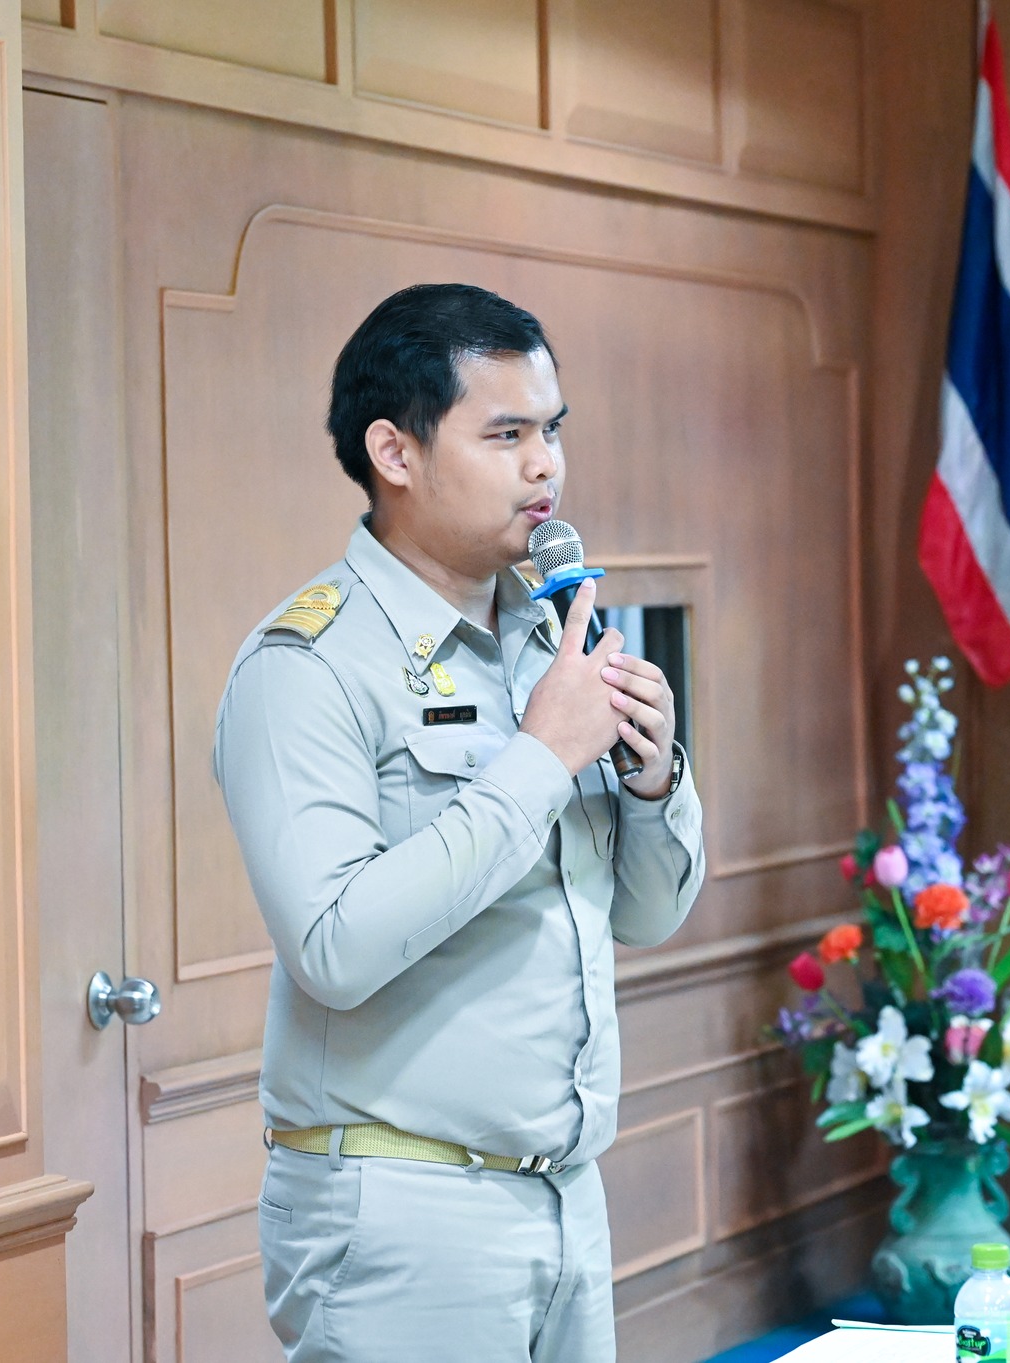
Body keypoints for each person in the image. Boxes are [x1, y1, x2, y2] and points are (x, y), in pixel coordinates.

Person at [214, 283, 706, 1363]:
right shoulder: (306, 665)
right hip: (400, 1211)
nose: (545, 466)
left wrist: (653, 776)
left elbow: (645, 916)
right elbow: (333, 947)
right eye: (505, 434)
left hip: (564, 1194)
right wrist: (539, 759)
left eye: (552, 431)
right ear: (394, 451)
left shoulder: (549, 639)